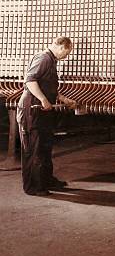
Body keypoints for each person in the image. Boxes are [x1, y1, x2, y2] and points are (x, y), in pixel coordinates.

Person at [16, 37, 77, 196]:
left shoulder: (51, 61)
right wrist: (43, 99)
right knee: (34, 149)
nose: (67, 56)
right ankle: (33, 187)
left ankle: (46, 180)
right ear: (62, 47)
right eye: (67, 52)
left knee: (45, 148)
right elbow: (30, 81)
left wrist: (63, 99)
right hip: (32, 110)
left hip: (42, 112)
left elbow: (48, 86)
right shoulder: (43, 58)